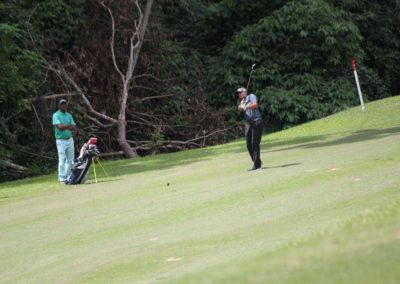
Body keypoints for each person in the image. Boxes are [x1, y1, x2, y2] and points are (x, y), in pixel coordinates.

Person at [237, 87, 263, 170]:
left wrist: (246, 107)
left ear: (245, 92)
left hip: (257, 121)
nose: (239, 94)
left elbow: (255, 104)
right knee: (248, 144)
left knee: (254, 143)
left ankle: (257, 164)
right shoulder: (242, 101)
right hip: (248, 123)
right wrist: (240, 107)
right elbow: (240, 109)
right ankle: (257, 161)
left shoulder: (251, 96)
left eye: (241, 92)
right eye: (238, 93)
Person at [52, 99, 76, 183]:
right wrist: (69, 126)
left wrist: (66, 126)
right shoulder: (56, 115)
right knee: (62, 159)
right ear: (59, 106)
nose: (64, 106)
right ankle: (61, 178)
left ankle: (68, 176)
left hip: (69, 139)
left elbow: (74, 127)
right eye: (62, 105)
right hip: (60, 140)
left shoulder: (68, 115)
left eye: (65, 104)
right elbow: (60, 127)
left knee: (70, 159)